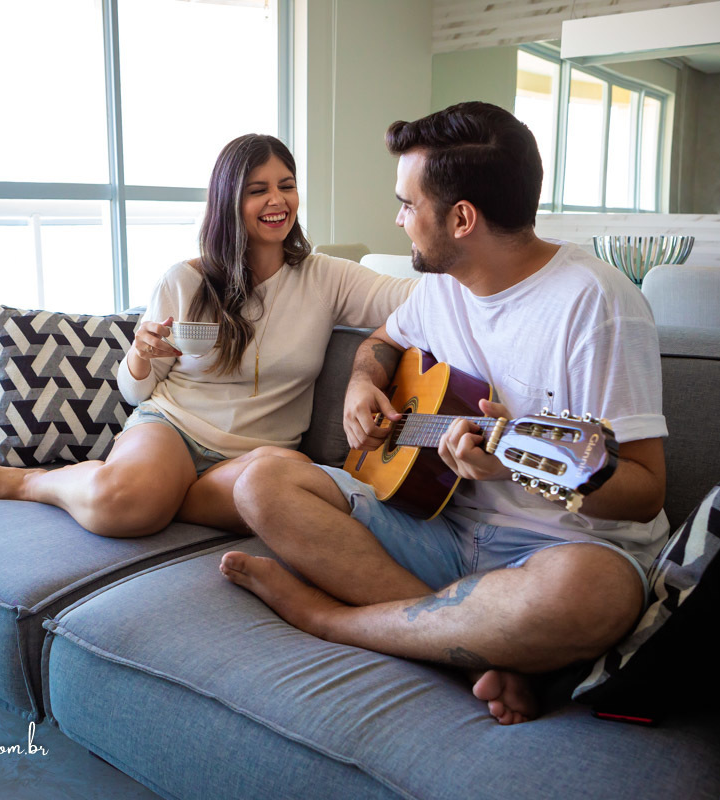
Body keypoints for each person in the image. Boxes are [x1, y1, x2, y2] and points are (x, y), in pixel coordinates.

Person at [218, 102, 668, 725]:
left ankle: (333, 619)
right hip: (443, 530)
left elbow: (645, 492)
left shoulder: (597, 304)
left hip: (559, 551)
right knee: (261, 481)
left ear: (461, 218)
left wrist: (515, 465)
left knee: (591, 597)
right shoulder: (441, 284)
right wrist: (361, 385)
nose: (397, 219)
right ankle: (470, 646)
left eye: (407, 204)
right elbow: (382, 341)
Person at [0, 134, 414, 537]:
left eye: (286, 186)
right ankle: (35, 482)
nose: (278, 201)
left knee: (295, 484)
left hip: (258, 456)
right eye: (259, 190)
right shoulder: (184, 280)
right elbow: (137, 391)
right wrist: (138, 353)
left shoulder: (328, 278)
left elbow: (413, 300)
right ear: (229, 201)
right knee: (121, 507)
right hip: (173, 429)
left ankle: (167, 498)